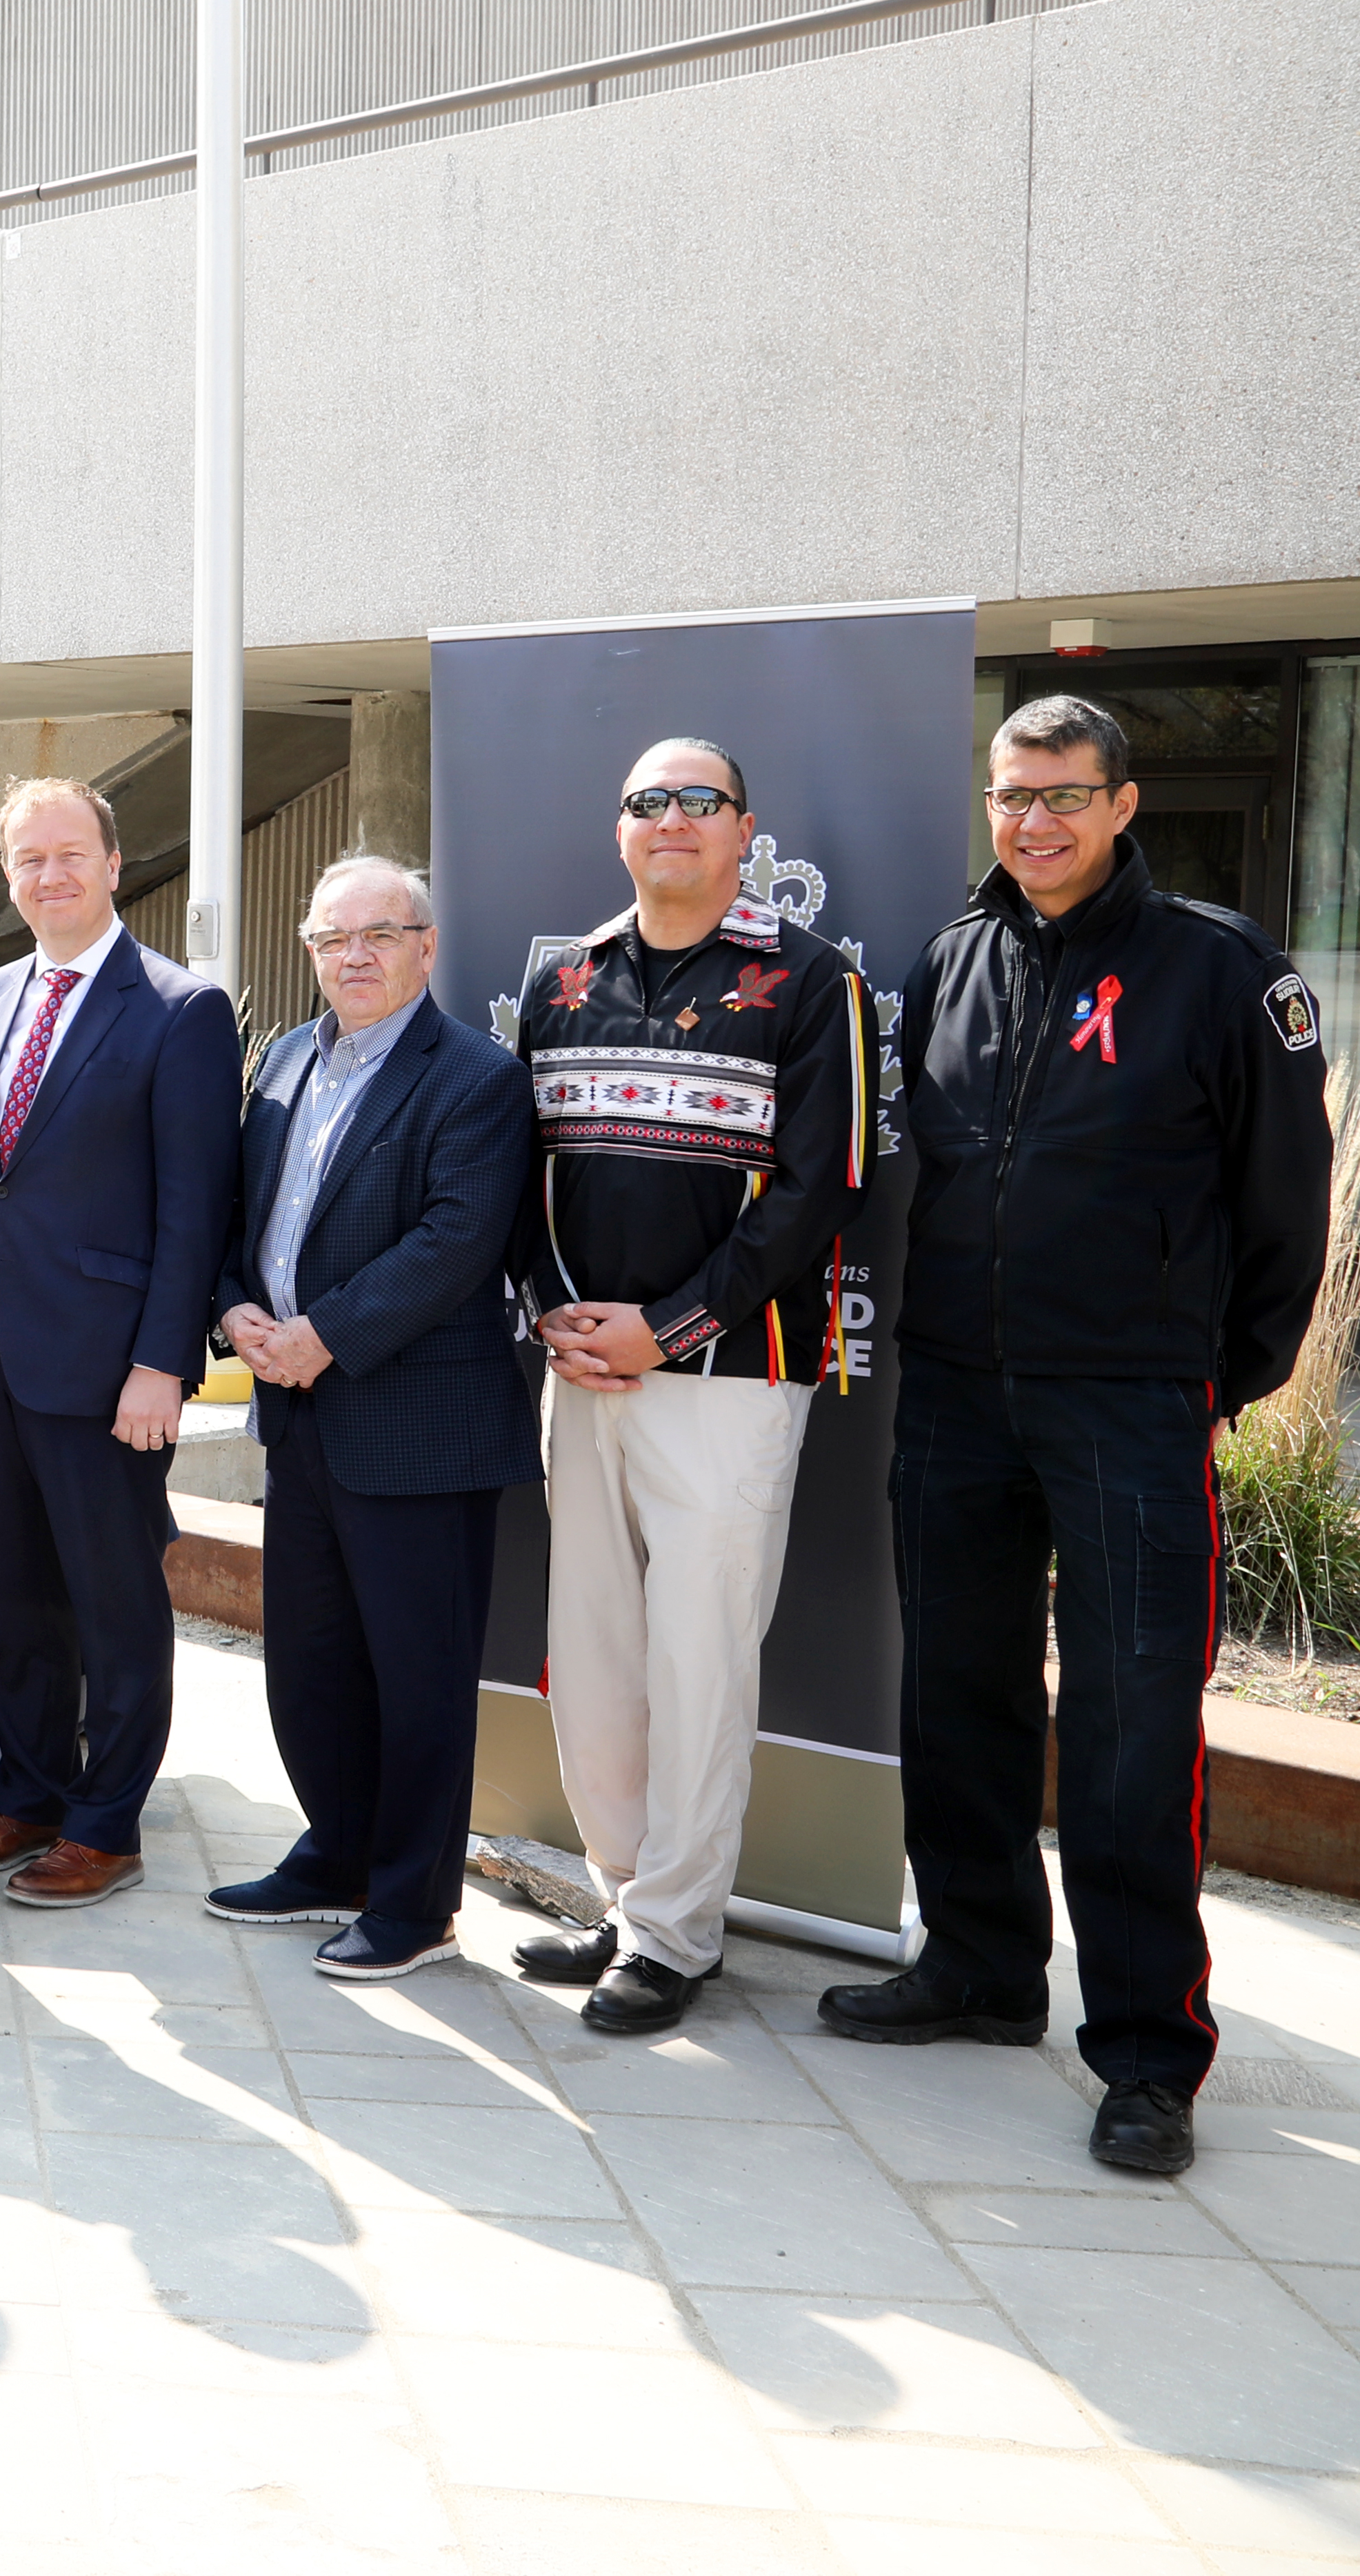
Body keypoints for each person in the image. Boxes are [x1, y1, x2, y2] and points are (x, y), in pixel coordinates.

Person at [822, 694, 1334, 2177]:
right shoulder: (952, 958)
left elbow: (1284, 1209)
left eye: (1063, 796)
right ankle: (981, 1967)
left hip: (1130, 1401)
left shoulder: (1223, 970)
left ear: (1122, 804)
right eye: (1009, 796)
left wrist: (1210, 1379)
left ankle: (1149, 2051)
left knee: (1128, 1731)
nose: (1032, 823)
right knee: (961, 1695)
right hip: (960, 1393)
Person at [505, 740, 870, 2036]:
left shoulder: (812, 982)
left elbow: (822, 1190)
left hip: (723, 1376)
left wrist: (668, 1326)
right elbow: (521, 1172)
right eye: (646, 803)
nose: (671, 821)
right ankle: (624, 1899)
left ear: (741, 829)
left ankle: (676, 1933)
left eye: (696, 802)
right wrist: (558, 1314)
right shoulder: (561, 981)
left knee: (699, 1660)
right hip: (580, 1373)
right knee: (595, 1660)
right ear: (619, 834)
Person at [0, 775, 240, 1909]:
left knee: (114, 1603)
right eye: (25, 860)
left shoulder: (179, 1009)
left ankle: (108, 1824)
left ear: (111, 863)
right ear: (7, 877)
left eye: (67, 855)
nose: (47, 876)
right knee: (10, 1594)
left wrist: (163, 1364)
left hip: (107, 1368)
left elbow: (194, 1209)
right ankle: (30, 1795)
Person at [204, 855, 537, 1981]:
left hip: (417, 1424)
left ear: (425, 945)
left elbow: (455, 1241)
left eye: (379, 935)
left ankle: (412, 1903)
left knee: (417, 1675)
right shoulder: (287, 1058)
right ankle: (334, 1854)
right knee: (309, 1665)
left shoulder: (475, 1078)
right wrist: (238, 1307)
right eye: (330, 939)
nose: (353, 956)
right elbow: (242, 1211)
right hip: (296, 1420)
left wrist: (323, 1334)